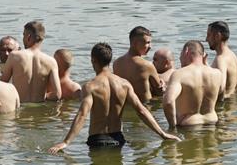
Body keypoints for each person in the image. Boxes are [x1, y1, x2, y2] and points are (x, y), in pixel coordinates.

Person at [48, 43, 180, 153]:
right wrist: (162, 134)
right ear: (109, 60)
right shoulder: (124, 84)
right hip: (118, 139)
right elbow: (142, 111)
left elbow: (82, 115)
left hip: (97, 140)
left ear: (93, 60)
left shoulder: (90, 86)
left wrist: (66, 142)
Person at [162, 40, 224, 127]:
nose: (180, 58)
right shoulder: (217, 73)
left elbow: (168, 102)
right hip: (212, 122)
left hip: (189, 125)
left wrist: (173, 127)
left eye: (180, 54)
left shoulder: (179, 74)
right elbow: (221, 95)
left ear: (186, 51)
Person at [1, 20, 60, 103]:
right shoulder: (51, 61)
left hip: (20, 105)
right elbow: (57, 94)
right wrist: (42, 96)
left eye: (23, 35)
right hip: (39, 106)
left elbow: (2, 84)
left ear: (28, 37)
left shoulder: (14, 56)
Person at [112, 26, 165, 103]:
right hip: (145, 106)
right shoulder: (146, 65)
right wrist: (163, 85)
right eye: (147, 43)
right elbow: (159, 92)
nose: (150, 47)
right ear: (135, 43)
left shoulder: (116, 63)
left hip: (124, 105)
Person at [207, 20, 237, 99]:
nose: (206, 39)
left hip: (224, 106)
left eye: (209, 35)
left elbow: (221, 88)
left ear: (217, 36)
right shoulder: (232, 55)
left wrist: (223, 101)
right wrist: (234, 94)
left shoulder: (221, 59)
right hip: (231, 104)